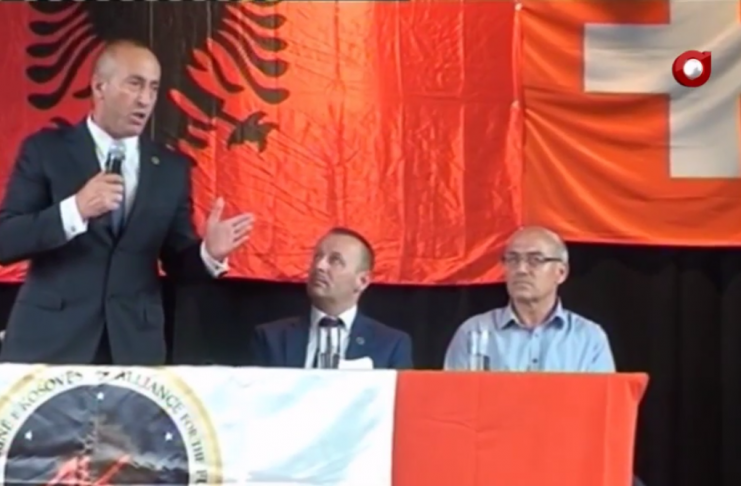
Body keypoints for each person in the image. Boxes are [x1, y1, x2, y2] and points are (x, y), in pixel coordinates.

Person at [0, 39, 254, 365]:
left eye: (153, 88)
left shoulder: (171, 169)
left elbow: (178, 261)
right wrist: (75, 210)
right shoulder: (46, 151)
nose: (145, 99)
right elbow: (6, 240)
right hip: (51, 342)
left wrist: (208, 254)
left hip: (132, 346)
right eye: (134, 84)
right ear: (99, 87)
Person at [444, 226, 615, 372]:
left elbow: (603, 400)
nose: (521, 269)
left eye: (535, 260)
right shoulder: (474, 332)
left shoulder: (589, 338)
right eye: (513, 259)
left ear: (561, 272)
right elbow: (453, 398)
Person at [249, 227, 413, 369]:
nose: (319, 266)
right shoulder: (270, 338)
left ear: (362, 281)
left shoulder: (391, 344)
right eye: (317, 257)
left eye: (335, 260)